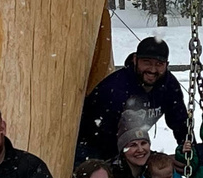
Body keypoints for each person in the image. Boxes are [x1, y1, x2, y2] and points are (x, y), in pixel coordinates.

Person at [80, 35, 191, 164]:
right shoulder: (115, 89)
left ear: (167, 65)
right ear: (135, 60)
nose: (152, 70)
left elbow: (180, 120)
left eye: (159, 64)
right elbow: (101, 135)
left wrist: (187, 148)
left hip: (131, 145)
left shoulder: (168, 85)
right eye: (147, 62)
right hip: (93, 145)